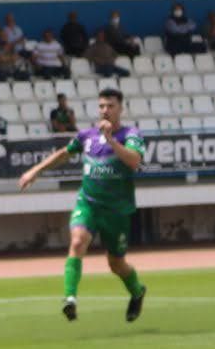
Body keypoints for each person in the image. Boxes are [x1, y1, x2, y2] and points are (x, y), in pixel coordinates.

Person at [18, 89, 148, 325]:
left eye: (110, 106)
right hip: (88, 203)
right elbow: (63, 154)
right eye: (101, 106)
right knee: (77, 242)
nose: (105, 110)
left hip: (116, 211)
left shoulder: (131, 135)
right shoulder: (87, 136)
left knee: (116, 264)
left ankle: (137, 292)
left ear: (121, 109)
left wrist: (111, 140)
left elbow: (134, 161)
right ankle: (69, 299)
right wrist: (35, 171)